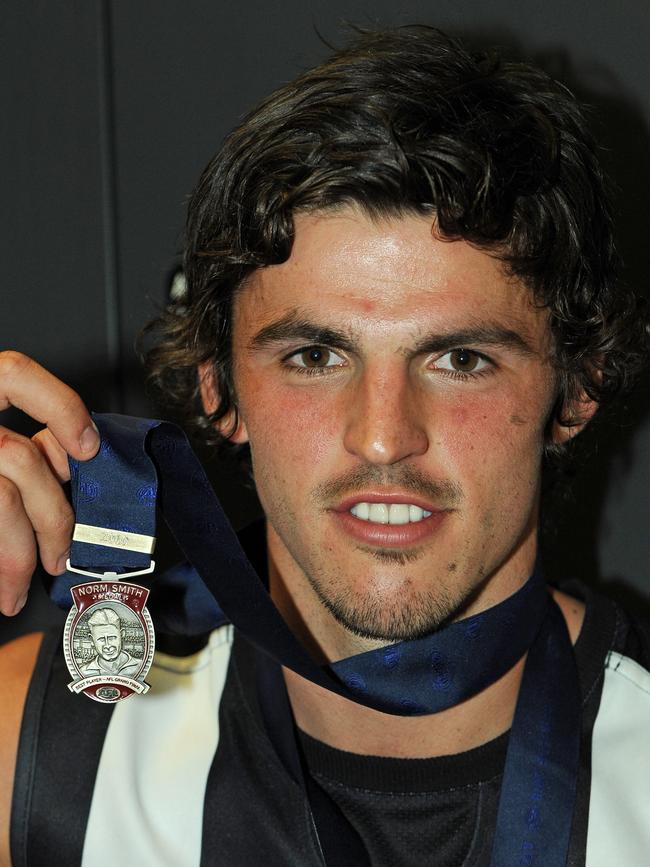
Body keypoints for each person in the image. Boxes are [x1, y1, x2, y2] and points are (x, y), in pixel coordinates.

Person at [1, 25, 649, 867]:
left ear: (576, 390)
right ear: (218, 386)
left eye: (460, 359)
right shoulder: (33, 747)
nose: (383, 435)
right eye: (315, 356)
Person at [76, 608, 141, 678]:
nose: (107, 645)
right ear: (92, 640)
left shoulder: (140, 666)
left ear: (122, 634)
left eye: (112, 638)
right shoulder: (84, 672)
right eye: (101, 639)